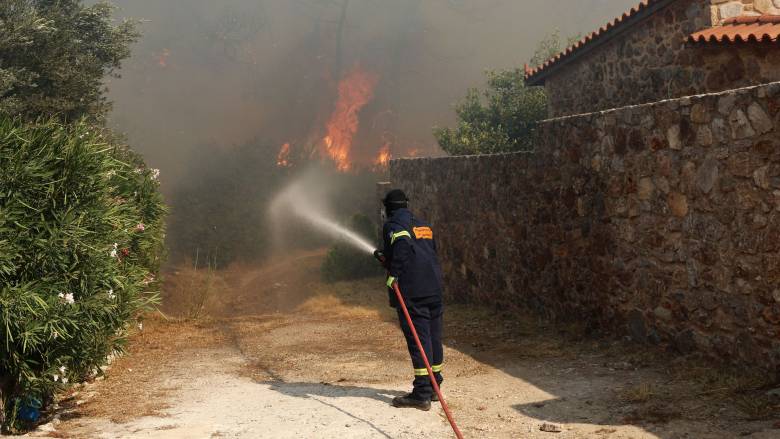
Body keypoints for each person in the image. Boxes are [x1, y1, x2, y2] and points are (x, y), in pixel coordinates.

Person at [376, 189, 445, 411]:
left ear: (388, 208)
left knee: (419, 340)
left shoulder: (393, 224)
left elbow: (403, 244)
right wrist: (387, 258)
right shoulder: (422, 224)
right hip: (433, 288)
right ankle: (435, 385)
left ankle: (422, 393)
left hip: (413, 292)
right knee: (434, 337)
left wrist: (394, 274)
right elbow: (425, 251)